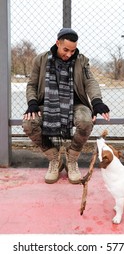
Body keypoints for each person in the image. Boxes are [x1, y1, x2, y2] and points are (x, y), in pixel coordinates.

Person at [23, 28, 110, 184]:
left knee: (85, 121)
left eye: (73, 50)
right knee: (29, 123)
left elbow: (90, 82)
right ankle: (54, 159)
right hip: (48, 104)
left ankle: (72, 158)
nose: (69, 54)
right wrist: (32, 102)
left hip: (76, 103)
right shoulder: (40, 60)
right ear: (57, 43)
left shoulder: (82, 60)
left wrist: (97, 101)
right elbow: (32, 84)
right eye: (66, 50)